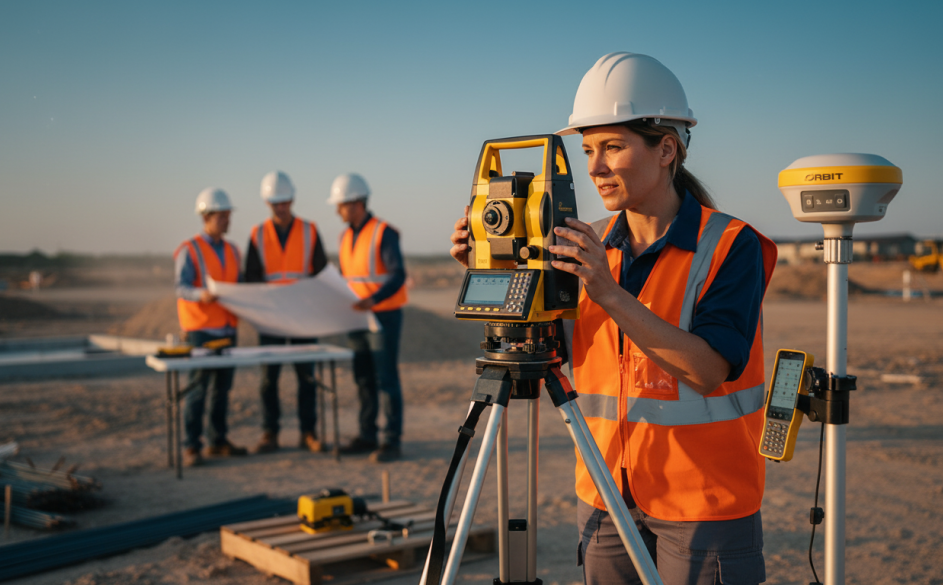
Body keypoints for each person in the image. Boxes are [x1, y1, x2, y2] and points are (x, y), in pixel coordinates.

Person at [449, 52, 778, 585]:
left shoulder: (729, 246)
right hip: (606, 493)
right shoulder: (587, 243)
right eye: (586, 151)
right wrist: (497, 268)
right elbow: (554, 345)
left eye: (613, 147)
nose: (596, 167)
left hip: (702, 505)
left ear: (666, 148)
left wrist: (607, 291)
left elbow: (709, 370)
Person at [245, 170, 328, 454]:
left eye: (285, 202)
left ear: (292, 200)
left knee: (307, 377)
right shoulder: (257, 234)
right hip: (271, 319)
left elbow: (320, 274)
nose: (281, 208)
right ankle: (270, 433)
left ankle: (308, 432)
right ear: (268, 203)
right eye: (275, 203)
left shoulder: (310, 230)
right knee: (269, 379)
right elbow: (252, 278)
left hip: (303, 319)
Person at [329, 173, 408, 463]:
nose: (337, 210)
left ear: (356, 203)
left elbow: (398, 275)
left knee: (385, 378)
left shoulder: (383, 232)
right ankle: (367, 435)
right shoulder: (345, 236)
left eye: (341, 204)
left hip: (383, 316)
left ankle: (391, 440)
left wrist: (373, 300)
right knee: (362, 378)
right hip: (357, 319)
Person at [174, 188, 248, 467]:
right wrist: (201, 294)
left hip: (227, 330)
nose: (227, 221)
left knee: (221, 391)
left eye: (228, 216)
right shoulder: (189, 250)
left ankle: (218, 441)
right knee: (197, 390)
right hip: (200, 330)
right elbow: (180, 287)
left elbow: (237, 283)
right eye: (222, 216)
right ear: (206, 216)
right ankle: (192, 446)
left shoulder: (233, 250)